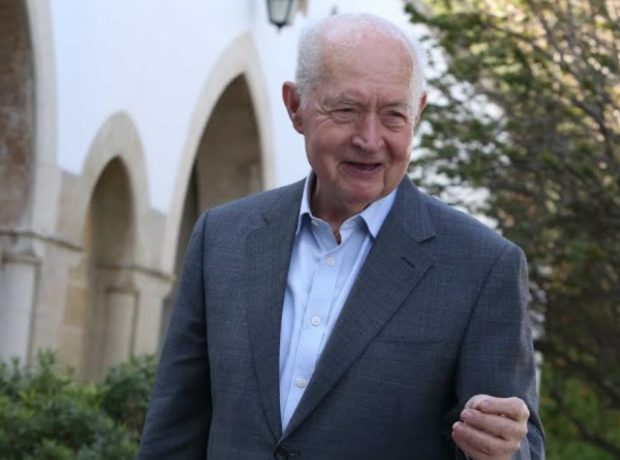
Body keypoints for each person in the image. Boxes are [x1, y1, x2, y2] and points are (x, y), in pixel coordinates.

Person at [139, 12, 544, 460]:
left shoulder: (483, 267)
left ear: (419, 114)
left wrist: (503, 450)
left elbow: (516, 443)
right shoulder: (223, 237)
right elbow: (174, 431)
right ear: (295, 106)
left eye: (393, 115)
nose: (369, 139)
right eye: (346, 110)